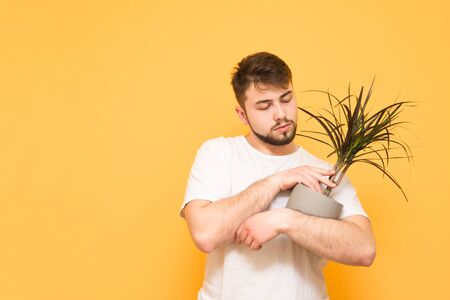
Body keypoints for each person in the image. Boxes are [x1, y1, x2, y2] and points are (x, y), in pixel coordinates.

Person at [180, 52, 376, 300]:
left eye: (286, 99)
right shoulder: (219, 154)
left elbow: (364, 249)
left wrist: (285, 220)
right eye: (265, 106)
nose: (280, 114)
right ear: (242, 115)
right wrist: (276, 181)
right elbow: (205, 234)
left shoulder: (325, 172)